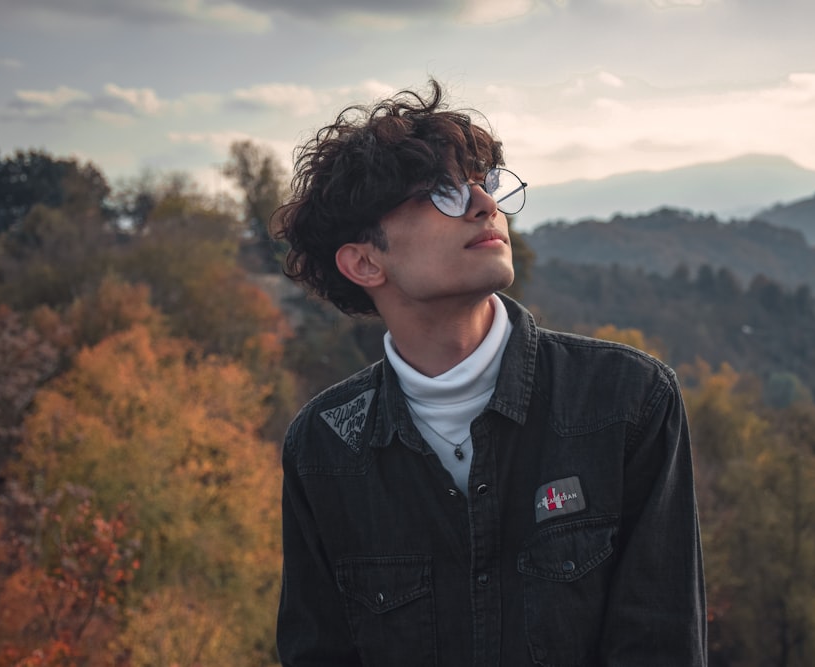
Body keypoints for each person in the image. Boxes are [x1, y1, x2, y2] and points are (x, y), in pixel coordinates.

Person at [273, 79, 706, 666]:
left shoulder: (626, 401)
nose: (484, 204)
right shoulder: (323, 446)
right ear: (364, 261)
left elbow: (660, 647)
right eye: (442, 193)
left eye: (485, 182)